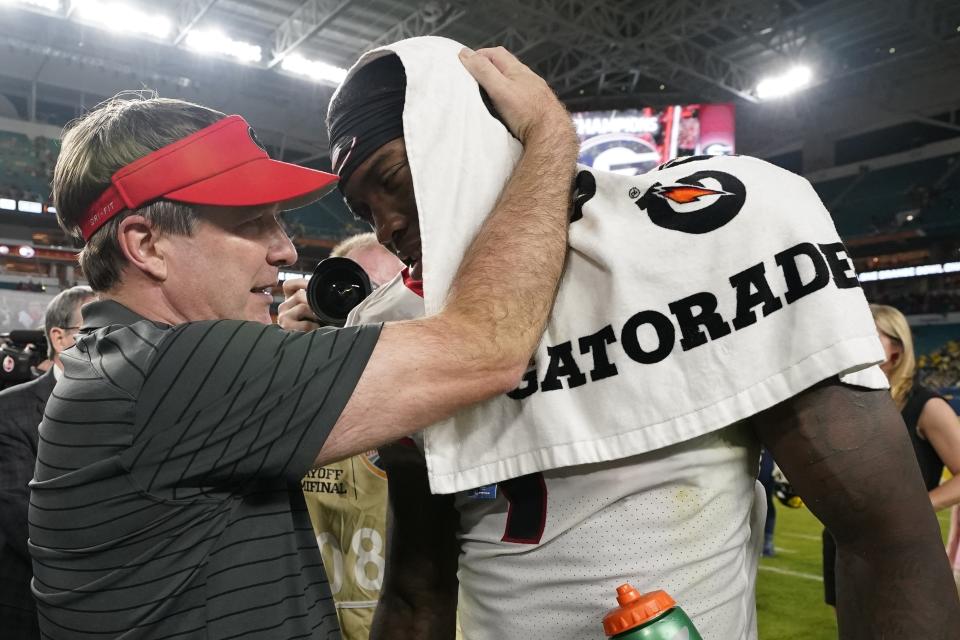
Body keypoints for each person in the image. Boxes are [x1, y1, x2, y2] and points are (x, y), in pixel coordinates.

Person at [302, 39, 960, 640]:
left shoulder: (708, 233)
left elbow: (887, 542)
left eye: (391, 180)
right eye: (362, 211)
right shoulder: (394, 323)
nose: (385, 225)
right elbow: (418, 588)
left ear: (468, 136)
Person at [31, 48, 579, 640]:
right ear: (147, 245)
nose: (286, 250)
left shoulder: (118, 364)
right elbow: (489, 345)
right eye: (250, 223)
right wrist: (548, 136)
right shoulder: (176, 370)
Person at [280, 232, 404, 639]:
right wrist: (284, 366)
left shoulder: (454, 406)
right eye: (362, 292)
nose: (377, 311)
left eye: (395, 291)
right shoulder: (291, 407)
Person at [823, 303, 960, 607]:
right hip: (844, 540)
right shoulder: (848, 403)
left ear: (896, 350)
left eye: (866, 335)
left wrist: (918, 507)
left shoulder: (926, 405)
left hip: (900, 544)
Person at [0, 285, 94, 640]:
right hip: (31, 599)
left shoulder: (136, 402)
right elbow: (19, 514)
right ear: (59, 337)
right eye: (97, 330)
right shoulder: (10, 408)